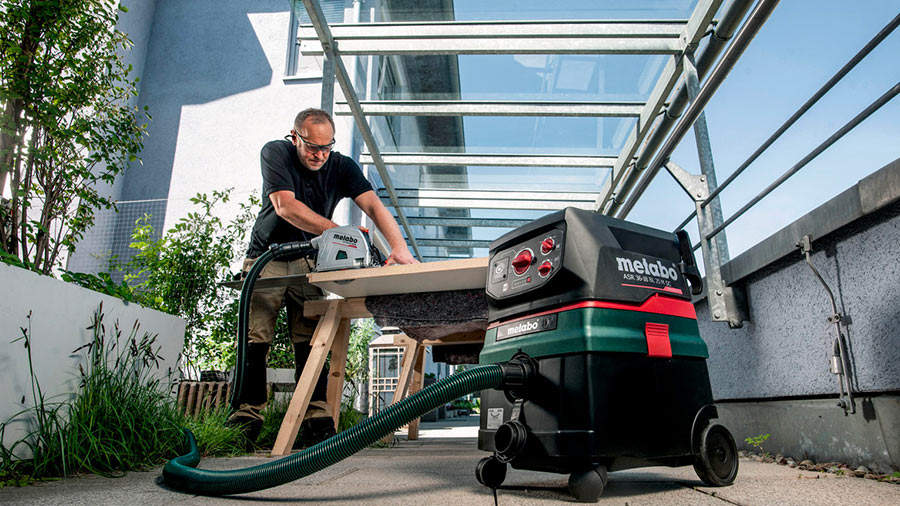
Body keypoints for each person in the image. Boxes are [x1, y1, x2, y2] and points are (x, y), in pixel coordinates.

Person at [229, 107, 417, 447]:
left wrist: (399, 248)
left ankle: (315, 418)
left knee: (311, 341)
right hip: (266, 258)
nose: (320, 155)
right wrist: (339, 232)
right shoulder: (276, 153)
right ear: (295, 137)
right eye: (312, 147)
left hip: (309, 261)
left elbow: (374, 206)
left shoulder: (341, 165)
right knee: (256, 340)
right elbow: (286, 206)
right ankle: (246, 417)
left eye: (326, 147)